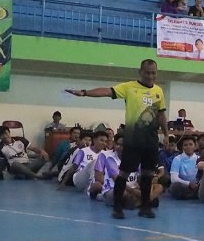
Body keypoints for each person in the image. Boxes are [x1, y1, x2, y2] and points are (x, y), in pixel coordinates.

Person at [65, 59, 168, 220]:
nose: (150, 76)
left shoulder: (159, 91)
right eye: (147, 72)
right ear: (140, 72)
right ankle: (118, 208)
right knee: (123, 174)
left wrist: (166, 134)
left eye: (153, 72)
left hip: (151, 140)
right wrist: (85, 92)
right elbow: (106, 91)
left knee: (148, 175)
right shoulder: (129, 87)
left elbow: (161, 114)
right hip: (133, 140)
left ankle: (145, 208)